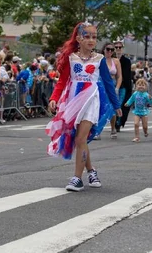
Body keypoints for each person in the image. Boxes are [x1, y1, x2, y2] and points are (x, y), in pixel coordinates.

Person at [46, 22, 121, 192]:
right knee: (79, 140)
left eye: (94, 37)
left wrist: (116, 105)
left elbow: (108, 83)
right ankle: (91, 171)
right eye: (87, 36)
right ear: (79, 38)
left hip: (91, 101)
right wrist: (54, 98)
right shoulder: (71, 58)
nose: (91, 40)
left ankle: (77, 179)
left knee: (81, 139)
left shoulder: (100, 59)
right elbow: (62, 81)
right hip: (73, 100)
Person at [101, 42, 122, 140]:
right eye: (108, 49)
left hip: (112, 84)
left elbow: (119, 76)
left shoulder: (116, 61)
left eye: (112, 50)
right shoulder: (100, 60)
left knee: (113, 108)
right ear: (104, 49)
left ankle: (113, 128)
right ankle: (98, 130)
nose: (109, 51)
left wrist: (117, 87)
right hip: (102, 84)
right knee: (100, 107)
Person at [124, 78, 152, 143]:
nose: (141, 86)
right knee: (136, 124)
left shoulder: (146, 94)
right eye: (139, 85)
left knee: (145, 126)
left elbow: (151, 102)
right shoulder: (135, 93)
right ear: (136, 86)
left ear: (146, 87)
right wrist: (128, 103)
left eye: (143, 85)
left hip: (144, 112)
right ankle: (137, 137)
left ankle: (145, 132)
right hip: (136, 111)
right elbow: (131, 99)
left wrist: (151, 98)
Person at [114, 39, 132, 131]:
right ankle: (114, 122)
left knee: (120, 104)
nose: (118, 49)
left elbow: (127, 75)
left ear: (122, 48)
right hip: (113, 85)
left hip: (123, 86)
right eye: (116, 47)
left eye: (119, 47)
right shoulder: (111, 59)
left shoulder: (126, 61)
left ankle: (118, 122)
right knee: (112, 105)